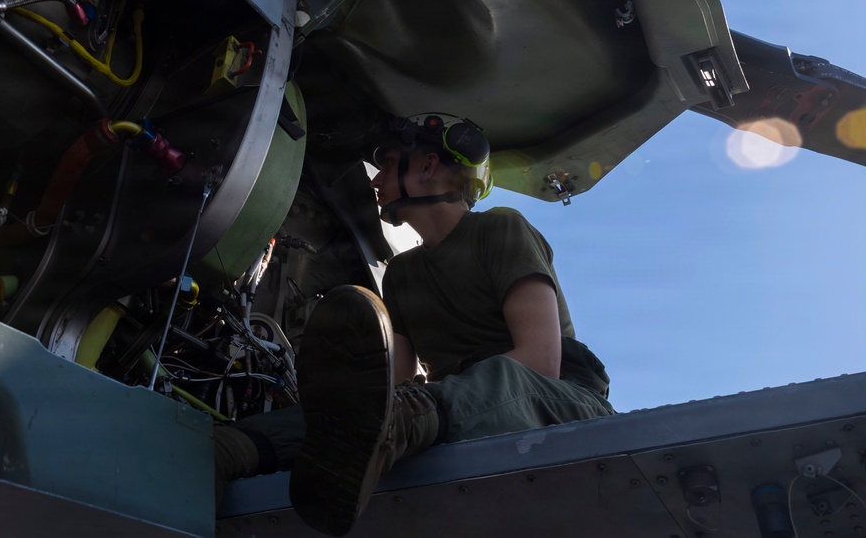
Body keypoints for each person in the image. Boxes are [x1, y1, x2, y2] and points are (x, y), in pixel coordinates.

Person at [214, 113, 615, 536]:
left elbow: (540, 362)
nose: (375, 179)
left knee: (496, 377)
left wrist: (405, 411)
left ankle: (385, 440)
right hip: (448, 410)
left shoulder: (501, 228)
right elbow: (385, 391)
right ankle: (231, 450)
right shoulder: (402, 273)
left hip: (559, 404)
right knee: (356, 413)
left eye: (386, 163)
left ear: (427, 167)